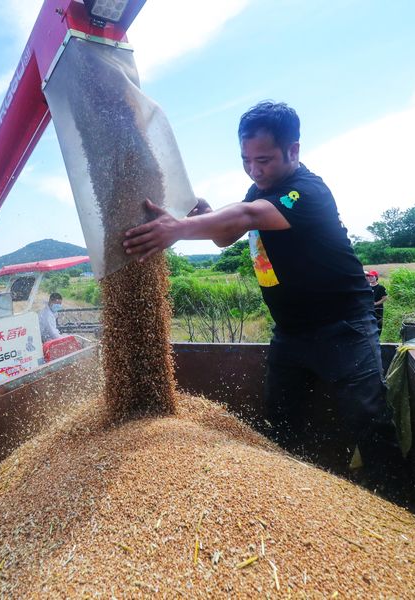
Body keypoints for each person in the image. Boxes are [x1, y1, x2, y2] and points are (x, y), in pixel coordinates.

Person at [122, 100, 399, 479]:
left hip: (344, 326)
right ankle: (291, 492)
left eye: (264, 160)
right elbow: (226, 236)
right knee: (280, 420)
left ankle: (397, 500)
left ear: (293, 150)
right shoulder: (258, 190)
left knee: (368, 417)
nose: (254, 169)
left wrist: (178, 230)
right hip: (290, 332)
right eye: (246, 160)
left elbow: (247, 216)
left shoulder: (307, 191)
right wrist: (199, 213)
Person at [366, 270, 388, 335]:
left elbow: (385, 298)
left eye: (372, 276)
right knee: (368, 325)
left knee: (378, 324)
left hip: (378, 309)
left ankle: (377, 340)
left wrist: (376, 303)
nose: (370, 278)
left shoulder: (381, 287)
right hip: (368, 309)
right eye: (369, 276)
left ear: (376, 277)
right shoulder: (367, 287)